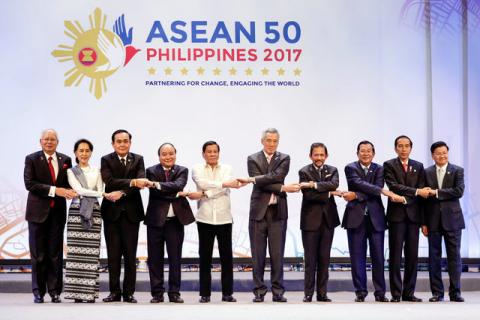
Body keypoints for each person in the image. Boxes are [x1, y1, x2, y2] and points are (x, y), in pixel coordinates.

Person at [238, 128, 300, 303]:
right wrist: (281, 187)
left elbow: (277, 176)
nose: (272, 144)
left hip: (277, 212)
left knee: (277, 254)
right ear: (262, 141)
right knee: (257, 255)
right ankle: (259, 291)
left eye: (275, 141)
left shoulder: (284, 158)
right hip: (258, 211)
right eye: (269, 140)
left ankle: (278, 291)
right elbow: (263, 184)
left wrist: (255, 180)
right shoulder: (253, 158)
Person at [341, 140, 402, 302]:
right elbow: (357, 183)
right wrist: (382, 191)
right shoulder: (350, 168)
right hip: (355, 218)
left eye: (369, 151)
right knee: (357, 257)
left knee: (378, 257)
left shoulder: (379, 169)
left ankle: (380, 292)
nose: (366, 153)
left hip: (376, 218)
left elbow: (373, 190)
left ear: (373, 154)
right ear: (357, 153)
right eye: (362, 151)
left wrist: (356, 195)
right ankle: (360, 292)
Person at [64, 139, 123, 303]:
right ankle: (77, 294)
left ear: (91, 152)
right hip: (77, 211)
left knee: (91, 254)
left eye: (87, 150)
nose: (84, 154)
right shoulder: (71, 171)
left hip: (95, 211)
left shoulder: (97, 170)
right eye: (81, 150)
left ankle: (89, 294)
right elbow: (78, 190)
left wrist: (99, 193)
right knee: (76, 253)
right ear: (75, 153)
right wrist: (101, 194)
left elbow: (100, 189)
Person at [24, 129, 76, 303]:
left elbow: (69, 184)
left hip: (57, 214)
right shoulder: (31, 159)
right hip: (37, 214)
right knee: (38, 255)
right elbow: (30, 184)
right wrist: (56, 191)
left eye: (52, 139)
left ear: (57, 142)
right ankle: (38, 291)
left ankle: (55, 291)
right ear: (40, 141)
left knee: (55, 254)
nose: (49, 142)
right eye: (46, 139)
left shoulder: (65, 160)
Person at [188, 141, 244, 303]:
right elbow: (202, 183)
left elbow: (214, 188)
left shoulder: (227, 168)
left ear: (219, 153)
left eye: (215, 151)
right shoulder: (197, 168)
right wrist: (224, 184)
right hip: (204, 217)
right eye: (209, 151)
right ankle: (205, 294)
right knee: (204, 258)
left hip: (224, 218)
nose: (212, 154)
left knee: (227, 258)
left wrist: (204, 194)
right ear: (203, 154)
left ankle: (227, 293)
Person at [101, 129, 149, 303]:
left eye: (125, 141)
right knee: (113, 256)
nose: (122, 144)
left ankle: (129, 292)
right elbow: (109, 181)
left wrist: (122, 191)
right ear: (113, 143)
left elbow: (141, 181)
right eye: (119, 141)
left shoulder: (138, 159)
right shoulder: (106, 159)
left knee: (130, 255)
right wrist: (131, 182)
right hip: (111, 213)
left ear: (130, 142)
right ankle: (114, 292)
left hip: (131, 213)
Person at [145, 143, 195, 304]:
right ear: (159, 156)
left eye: (171, 153)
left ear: (175, 154)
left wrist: (159, 185)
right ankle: (157, 293)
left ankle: (174, 293)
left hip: (175, 222)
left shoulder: (182, 170)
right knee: (155, 259)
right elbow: (157, 193)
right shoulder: (151, 171)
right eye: (164, 154)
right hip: (155, 221)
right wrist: (175, 194)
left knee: (175, 259)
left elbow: (179, 185)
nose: (168, 157)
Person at [383, 135, 428, 302]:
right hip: (396, 216)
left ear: (411, 148)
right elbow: (394, 186)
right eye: (400, 146)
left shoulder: (418, 166)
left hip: (414, 216)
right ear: (395, 148)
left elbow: (423, 190)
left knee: (412, 256)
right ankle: (396, 293)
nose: (403, 149)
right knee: (395, 255)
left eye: (406, 146)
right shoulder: (389, 165)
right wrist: (415, 192)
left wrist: (423, 220)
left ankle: (409, 293)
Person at [298, 143, 342, 302]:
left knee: (324, 258)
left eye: (322, 155)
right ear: (311, 156)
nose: (319, 158)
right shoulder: (304, 171)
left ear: (326, 156)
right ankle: (308, 294)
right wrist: (329, 193)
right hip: (310, 221)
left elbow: (334, 184)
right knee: (310, 259)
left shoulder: (333, 170)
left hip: (328, 220)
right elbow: (309, 196)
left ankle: (322, 294)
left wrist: (314, 185)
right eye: (316, 155)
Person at [422, 141, 465, 302]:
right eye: (438, 153)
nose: (442, 156)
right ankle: (437, 293)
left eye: (444, 153)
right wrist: (423, 223)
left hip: (453, 220)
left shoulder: (457, 171)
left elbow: (458, 191)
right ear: (433, 155)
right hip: (432, 220)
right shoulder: (426, 172)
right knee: (434, 257)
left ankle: (455, 292)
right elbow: (423, 200)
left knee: (454, 257)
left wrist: (437, 192)